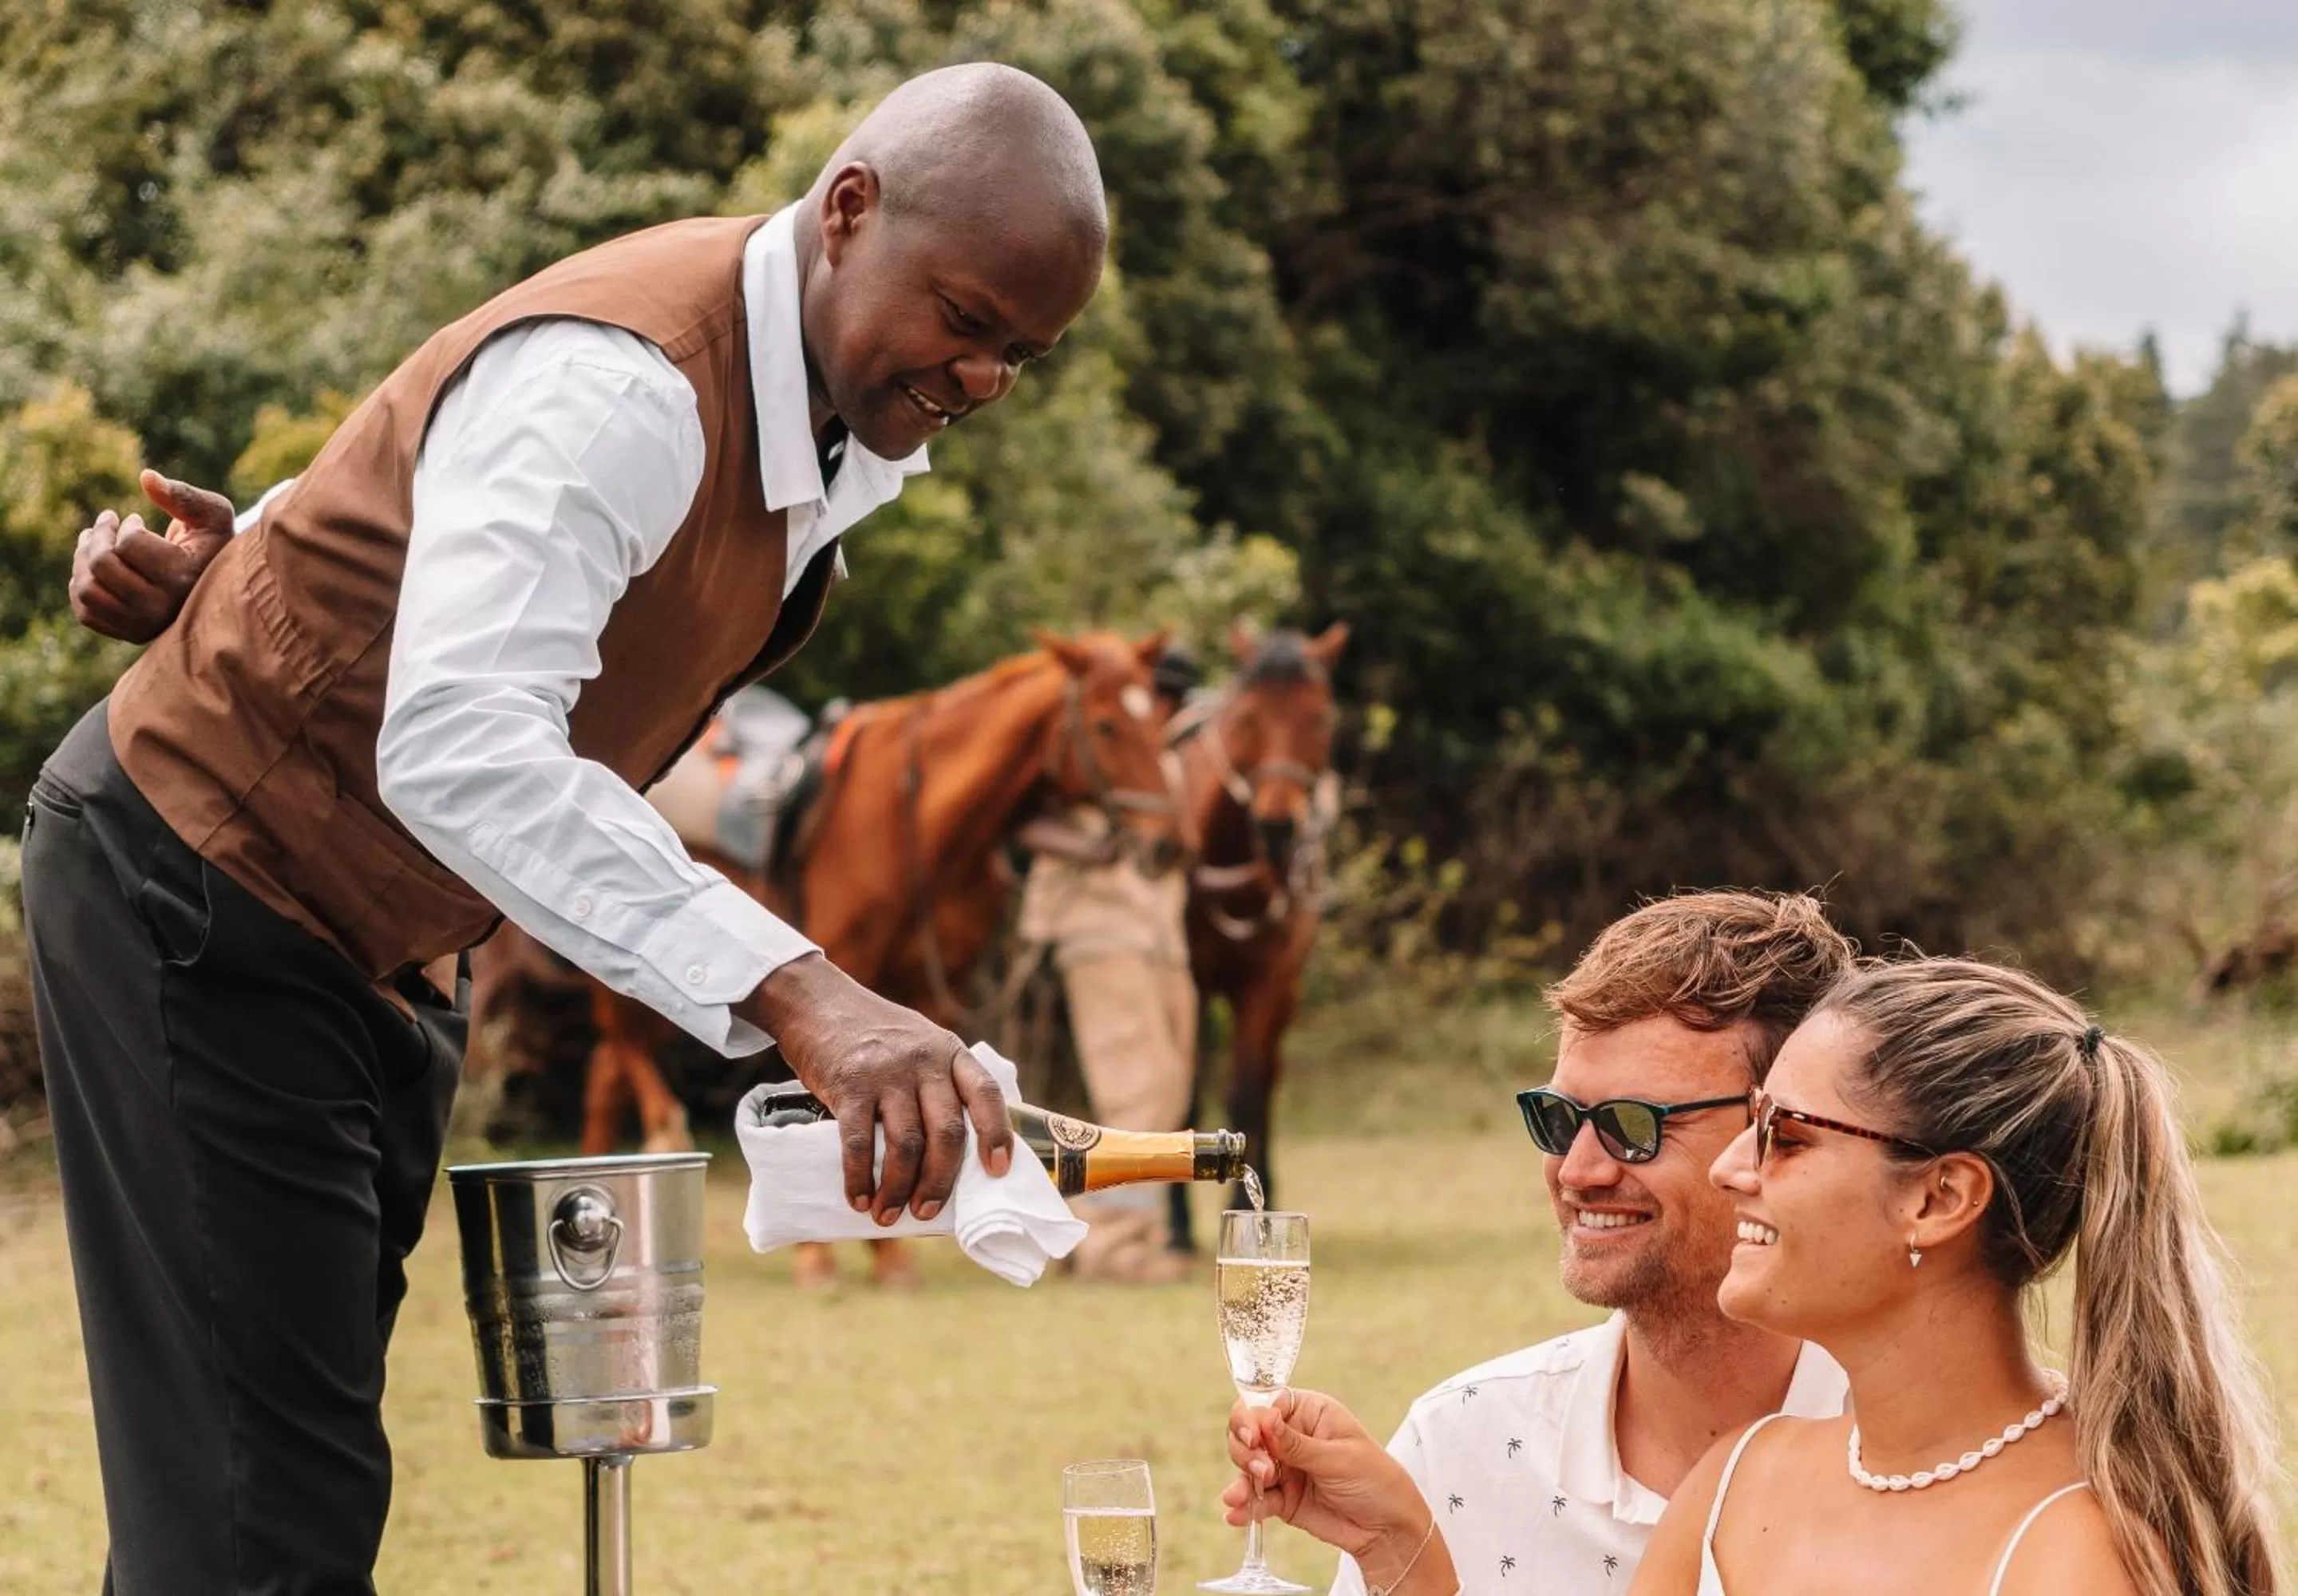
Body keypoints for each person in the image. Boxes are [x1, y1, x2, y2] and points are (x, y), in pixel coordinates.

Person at [28, 64, 1105, 1595]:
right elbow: (464, 739)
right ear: (849, 210)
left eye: (1021, 355)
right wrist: (803, 994)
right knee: (255, 1519)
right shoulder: (636, 377)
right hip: (202, 880)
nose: (983, 379)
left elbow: (472, 524)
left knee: (281, 1486)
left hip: (385, 948)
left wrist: (262, 551)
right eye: (966, 320)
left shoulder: (839, 417)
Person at [1224, 958, 2285, 1596]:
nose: (1733, 1170)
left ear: (1935, 1199)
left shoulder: (2075, 1549)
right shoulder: (1744, 1475)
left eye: (1783, 1139)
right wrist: (1400, 1548)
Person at [1248, 891, 1861, 1595]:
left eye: (1636, 1125)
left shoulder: (1913, 1460)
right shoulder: (1459, 1444)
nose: (1578, 1170)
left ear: (1785, 1135)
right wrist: (1401, 1559)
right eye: (1558, 1117)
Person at [1011, 643, 1204, 1283]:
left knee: (1169, 1087)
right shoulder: (1086, 740)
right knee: (1134, 1086)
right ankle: (1111, 1250)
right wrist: (1091, 848)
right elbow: (1022, 818)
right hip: (1097, 926)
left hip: (1159, 933)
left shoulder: (1158, 758)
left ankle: (1119, 1234)